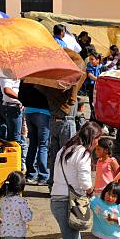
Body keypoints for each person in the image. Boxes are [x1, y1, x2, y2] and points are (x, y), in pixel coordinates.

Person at [50, 121, 101, 239]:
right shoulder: (83, 153)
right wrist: (92, 192)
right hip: (69, 202)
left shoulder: (65, 149)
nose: (97, 143)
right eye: (97, 139)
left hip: (57, 198)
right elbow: (85, 182)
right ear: (92, 137)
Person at [37, 49, 87, 190]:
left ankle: (53, 184)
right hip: (66, 121)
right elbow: (80, 73)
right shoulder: (69, 84)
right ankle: (64, 185)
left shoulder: (49, 83)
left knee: (55, 155)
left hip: (53, 121)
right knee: (67, 155)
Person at [18, 83, 51, 186]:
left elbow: (21, 96)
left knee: (32, 144)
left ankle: (31, 175)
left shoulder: (27, 78)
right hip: (44, 113)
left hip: (29, 112)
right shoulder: (46, 78)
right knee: (43, 146)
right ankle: (43, 176)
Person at [0, 78, 25, 170]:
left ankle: (12, 165)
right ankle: (14, 167)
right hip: (11, 108)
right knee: (14, 140)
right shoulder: (7, 74)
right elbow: (7, 90)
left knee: (12, 139)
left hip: (11, 107)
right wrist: (21, 98)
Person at [86, 51, 102, 120]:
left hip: (101, 88)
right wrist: (97, 79)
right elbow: (89, 75)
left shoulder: (102, 67)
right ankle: (92, 119)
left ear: (98, 60)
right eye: (90, 59)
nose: (90, 61)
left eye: (92, 59)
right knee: (92, 103)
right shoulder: (89, 65)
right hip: (92, 87)